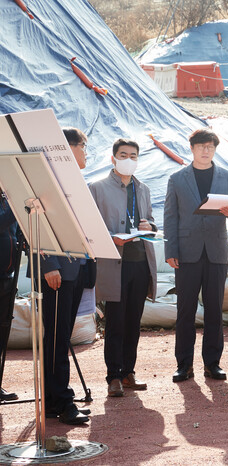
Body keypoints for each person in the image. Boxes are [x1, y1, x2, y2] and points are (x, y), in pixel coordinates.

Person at [164, 128, 228, 383]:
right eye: (201, 146)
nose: (205, 151)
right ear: (192, 148)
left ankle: (212, 364)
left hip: (216, 252)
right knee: (185, 310)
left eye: (210, 147)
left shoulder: (227, 177)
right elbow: (170, 217)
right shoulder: (177, 179)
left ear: (214, 149)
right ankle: (184, 365)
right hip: (186, 253)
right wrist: (171, 250)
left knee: (214, 310)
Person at [28, 127, 91, 424]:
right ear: (67, 148)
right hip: (56, 271)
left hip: (75, 268)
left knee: (61, 336)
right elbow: (34, 223)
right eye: (83, 147)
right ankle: (62, 401)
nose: (86, 153)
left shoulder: (74, 181)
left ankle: (54, 400)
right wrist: (48, 264)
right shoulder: (46, 180)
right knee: (55, 338)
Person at [89, 139, 158, 397]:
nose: (128, 159)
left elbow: (151, 221)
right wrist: (111, 238)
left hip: (140, 262)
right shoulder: (97, 188)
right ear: (113, 158)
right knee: (115, 322)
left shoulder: (143, 189)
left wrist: (150, 227)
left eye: (133, 156)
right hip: (115, 264)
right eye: (123, 155)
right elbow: (91, 226)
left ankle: (129, 372)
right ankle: (114, 376)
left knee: (133, 322)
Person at [0, 190, 19, 402]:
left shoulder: (7, 198)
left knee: (2, 330)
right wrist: (18, 208)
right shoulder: (11, 204)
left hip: (7, 276)